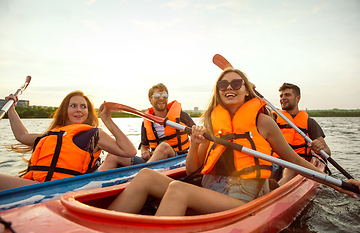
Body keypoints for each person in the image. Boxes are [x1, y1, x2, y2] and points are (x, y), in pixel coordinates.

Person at [106, 68, 359, 216]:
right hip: (211, 190)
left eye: (237, 83)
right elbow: (193, 169)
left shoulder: (263, 122)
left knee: (177, 189)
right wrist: (195, 143)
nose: (230, 87)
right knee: (145, 176)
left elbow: (294, 160)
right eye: (223, 84)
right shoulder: (211, 122)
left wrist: (340, 185)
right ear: (217, 91)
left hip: (243, 199)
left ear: (246, 90)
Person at [0, 90, 137, 190]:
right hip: (37, 186)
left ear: (88, 112)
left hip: (63, 189)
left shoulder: (94, 135)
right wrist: (11, 108)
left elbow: (129, 151)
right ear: (65, 110)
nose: (79, 110)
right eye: (73, 106)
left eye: (83, 106)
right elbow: (22, 135)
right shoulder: (50, 135)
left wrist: (107, 120)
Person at [99, 83, 195, 171]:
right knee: (113, 156)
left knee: (163, 147)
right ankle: (91, 185)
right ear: (150, 100)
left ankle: (139, 177)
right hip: (154, 161)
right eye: (157, 96)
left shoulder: (182, 116)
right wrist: (145, 153)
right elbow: (145, 146)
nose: (161, 98)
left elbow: (197, 136)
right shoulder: (146, 122)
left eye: (165, 96)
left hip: (178, 158)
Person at [272, 83, 331, 184]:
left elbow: (327, 152)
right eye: (281, 96)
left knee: (292, 168)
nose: (283, 98)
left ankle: (276, 189)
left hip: (296, 164)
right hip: (274, 162)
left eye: (287, 95)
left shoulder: (309, 122)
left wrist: (318, 149)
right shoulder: (273, 119)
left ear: (298, 98)